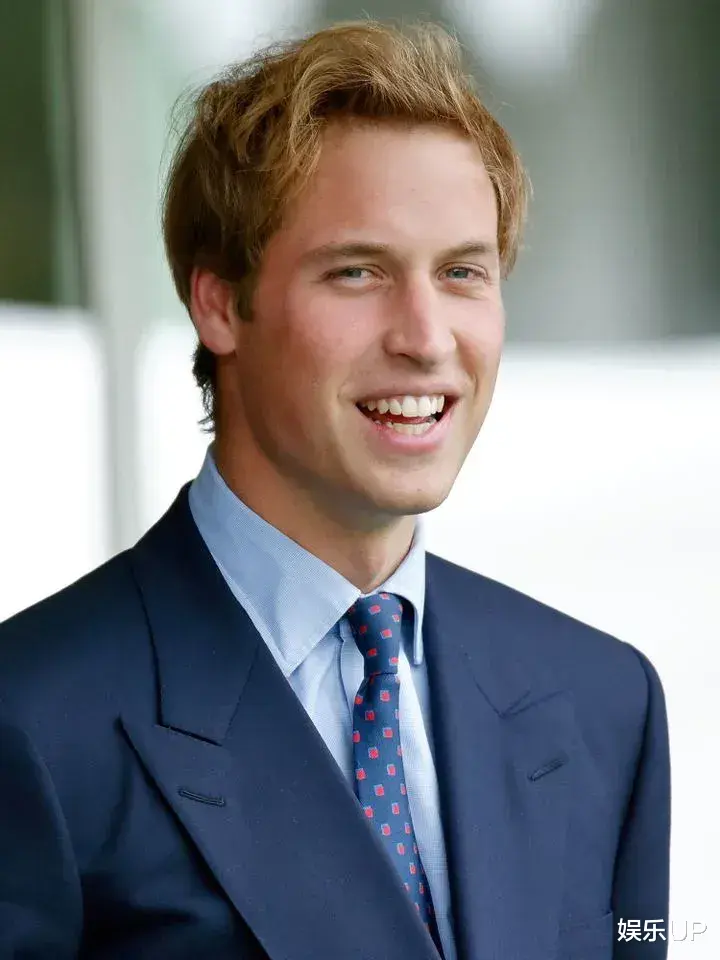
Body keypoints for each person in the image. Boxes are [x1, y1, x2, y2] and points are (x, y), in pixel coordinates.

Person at [0, 18, 670, 960]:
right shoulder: (30, 721)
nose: (426, 338)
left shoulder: (606, 702)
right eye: (357, 272)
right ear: (219, 304)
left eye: (463, 272)